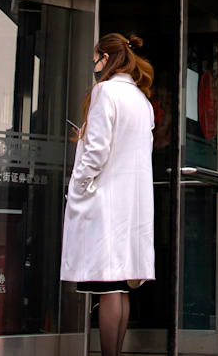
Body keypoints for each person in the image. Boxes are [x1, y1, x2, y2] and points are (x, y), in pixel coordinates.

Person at [60, 33, 156, 356]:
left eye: (96, 59)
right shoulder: (142, 101)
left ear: (106, 58)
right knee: (121, 285)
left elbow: (98, 152)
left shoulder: (106, 92)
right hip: (132, 204)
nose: (94, 65)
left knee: (109, 287)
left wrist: (78, 185)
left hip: (105, 201)